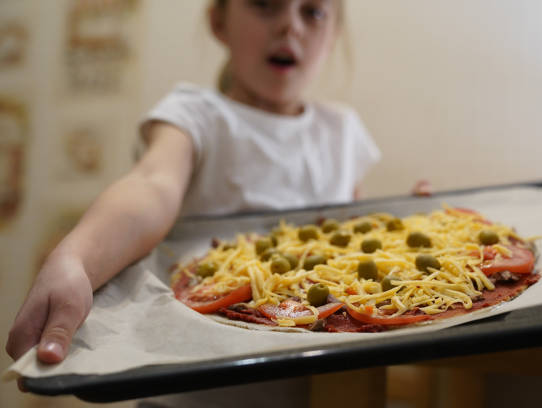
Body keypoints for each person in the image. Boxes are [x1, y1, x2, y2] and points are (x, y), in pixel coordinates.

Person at [6, 0, 379, 384]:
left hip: (317, 387)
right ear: (219, 22)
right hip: (200, 383)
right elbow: (151, 184)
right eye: (266, 5)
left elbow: (349, 240)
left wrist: (425, 217)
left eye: (312, 12)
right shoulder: (195, 115)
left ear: (333, 35)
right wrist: (77, 260)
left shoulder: (342, 132)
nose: (290, 26)